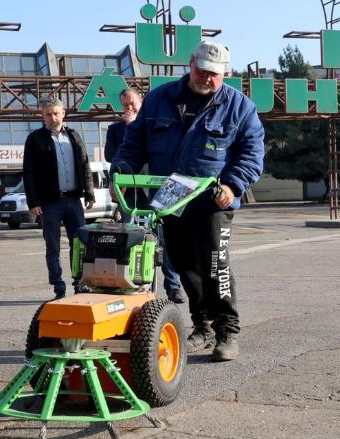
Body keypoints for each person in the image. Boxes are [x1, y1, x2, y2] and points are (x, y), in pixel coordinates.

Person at [112, 41, 264, 362]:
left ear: (226, 74)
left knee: (214, 262)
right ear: (190, 63)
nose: (207, 78)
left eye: (215, 74)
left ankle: (227, 330)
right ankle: (203, 325)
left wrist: (233, 186)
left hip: (213, 200)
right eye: (202, 70)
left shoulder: (239, 108)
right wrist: (122, 171)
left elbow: (251, 154)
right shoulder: (158, 99)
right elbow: (134, 143)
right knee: (182, 264)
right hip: (171, 199)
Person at [105, 88, 187, 305]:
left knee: (167, 237)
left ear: (141, 101)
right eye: (124, 105)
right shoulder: (115, 129)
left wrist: (135, 125)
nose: (129, 108)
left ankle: (173, 285)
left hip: (159, 188)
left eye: (132, 103)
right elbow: (111, 155)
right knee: (134, 239)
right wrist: (129, 127)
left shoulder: (157, 125)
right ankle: (135, 285)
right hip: (132, 193)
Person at [23, 96, 96, 300]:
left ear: (63, 114)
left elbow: (85, 164)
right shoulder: (35, 139)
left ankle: (79, 282)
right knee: (53, 245)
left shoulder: (73, 136)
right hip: (49, 203)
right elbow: (28, 173)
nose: (53, 117)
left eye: (56, 113)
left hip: (73, 200)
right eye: (48, 114)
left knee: (79, 244)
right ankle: (58, 285)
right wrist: (33, 202)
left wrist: (89, 193)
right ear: (43, 116)